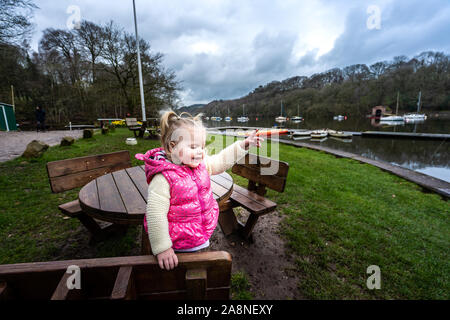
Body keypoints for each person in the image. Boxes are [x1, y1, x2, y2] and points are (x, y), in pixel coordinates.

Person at [135, 110, 263, 270]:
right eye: (194, 146)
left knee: (199, 263)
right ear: (172, 147)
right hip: (177, 242)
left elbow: (220, 160)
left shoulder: (200, 165)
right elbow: (155, 213)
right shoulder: (163, 178)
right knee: (185, 270)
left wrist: (243, 145)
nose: (200, 152)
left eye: (202, 146)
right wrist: (163, 248)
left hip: (199, 230)